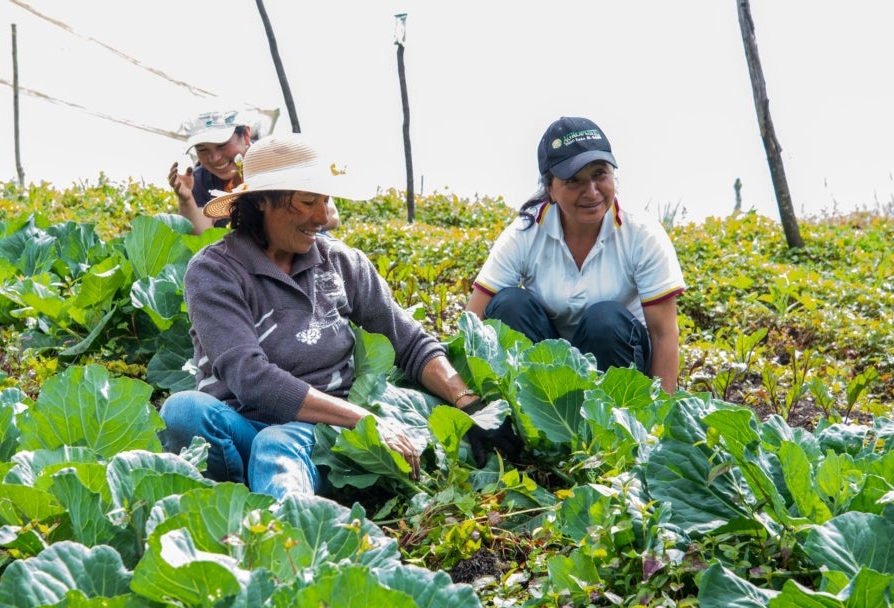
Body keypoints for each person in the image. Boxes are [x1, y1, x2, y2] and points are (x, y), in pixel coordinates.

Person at [159, 133, 518, 500]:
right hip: (243, 425)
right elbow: (250, 377)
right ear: (262, 201)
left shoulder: (342, 263)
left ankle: (281, 531)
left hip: (324, 429)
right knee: (183, 410)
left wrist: (467, 402)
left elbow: (410, 343)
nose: (322, 216)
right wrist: (364, 419)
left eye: (326, 200)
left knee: (278, 443)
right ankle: (258, 488)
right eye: (307, 201)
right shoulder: (214, 271)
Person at [465, 116, 686, 394]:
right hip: (547, 377)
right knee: (509, 304)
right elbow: (473, 320)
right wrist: (463, 397)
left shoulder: (642, 234)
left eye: (599, 174)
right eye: (573, 180)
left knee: (604, 320)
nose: (591, 192)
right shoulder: (526, 231)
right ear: (550, 190)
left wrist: (659, 420)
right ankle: (526, 416)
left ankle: (612, 425)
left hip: (617, 366)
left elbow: (664, 334)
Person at [168, 109, 339, 235]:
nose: (214, 158)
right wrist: (186, 198)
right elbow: (203, 237)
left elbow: (330, 217)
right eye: (202, 149)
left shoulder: (279, 158)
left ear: (246, 135)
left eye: (222, 145)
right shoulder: (200, 179)